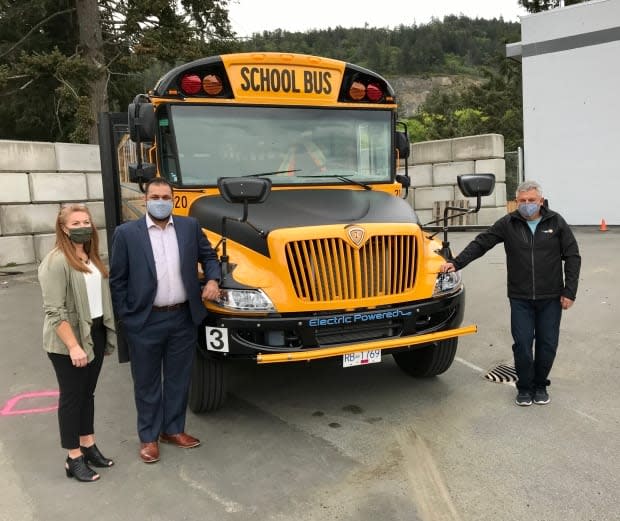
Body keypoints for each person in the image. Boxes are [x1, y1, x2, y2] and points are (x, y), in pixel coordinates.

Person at [109, 177, 221, 464]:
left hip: (182, 318)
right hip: (145, 321)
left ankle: (173, 430)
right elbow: (118, 280)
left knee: (178, 379)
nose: (161, 201)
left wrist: (212, 279)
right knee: (146, 383)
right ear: (145, 200)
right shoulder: (127, 234)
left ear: (173, 198)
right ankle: (149, 437)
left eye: (166, 196)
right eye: (155, 196)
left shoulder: (189, 227)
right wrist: (127, 318)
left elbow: (210, 256)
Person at [440, 180, 581, 407]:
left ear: (541, 201)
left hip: (551, 297)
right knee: (523, 345)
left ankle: (540, 385)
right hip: (520, 297)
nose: (527, 205)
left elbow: (572, 256)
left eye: (531, 201)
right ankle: (524, 388)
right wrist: (456, 263)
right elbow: (482, 243)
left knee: (547, 345)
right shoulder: (508, 223)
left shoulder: (556, 222)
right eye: (522, 201)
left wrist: (570, 291)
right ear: (516, 202)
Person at [38, 203, 117, 482]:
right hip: (68, 339)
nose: (83, 226)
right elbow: (54, 311)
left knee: (87, 394)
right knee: (72, 398)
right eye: (76, 224)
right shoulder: (56, 261)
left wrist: (102, 336)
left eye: (86, 221)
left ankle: (88, 444)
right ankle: (73, 457)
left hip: (92, 331)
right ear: (63, 228)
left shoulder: (91, 256)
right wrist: (73, 346)